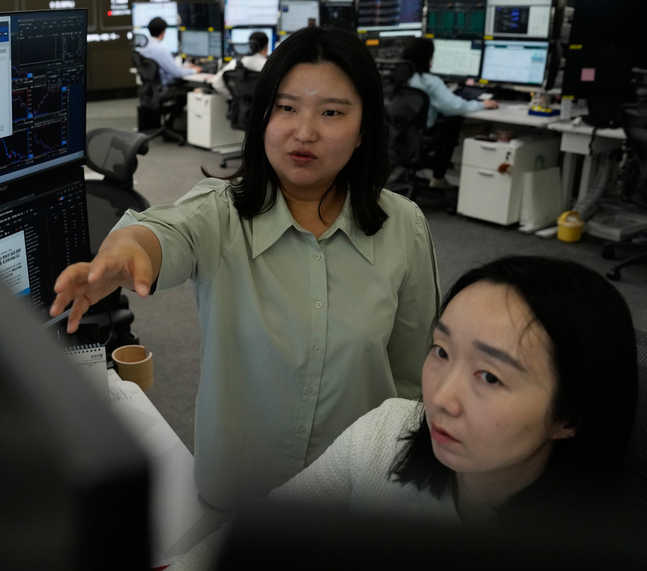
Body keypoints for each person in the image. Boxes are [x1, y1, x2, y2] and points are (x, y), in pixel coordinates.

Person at [52, 26, 440, 510]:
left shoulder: (404, 227)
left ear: (364, 130)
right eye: (286, 107)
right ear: (262, 118)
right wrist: (126, 247)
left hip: (354, 504)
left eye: (332, 112)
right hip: (238, 498)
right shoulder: (220, 212)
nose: (305, 131)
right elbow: (167, 230)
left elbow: (415, 376)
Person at [170, 256, 647, 569]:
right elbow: (256, 539)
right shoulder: (388, 432)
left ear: (571, 415)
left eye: (490, 377)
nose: (440, 399)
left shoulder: (605, 549)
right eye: (441, 351)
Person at [400, 37, 498, 188]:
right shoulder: (430, 82)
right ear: (428, 58)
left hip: (397, 135)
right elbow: (454, 107)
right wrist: (481, 104)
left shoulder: (397, 79)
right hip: (422, 136)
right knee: (453, 120)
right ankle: (438, 177)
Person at [138, 16, 201, 88]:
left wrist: (184, 68)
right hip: (164, 87)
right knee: (192, 88)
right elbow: (176, 73)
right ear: (163, 32)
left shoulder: (142, 48)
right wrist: (193, 70)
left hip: (151, 88)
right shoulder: (161, 50)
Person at [208, 31, 269, 98]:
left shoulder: (236, 62)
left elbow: (216, 84)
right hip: (262, 107)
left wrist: (235, 98)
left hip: (240, 107)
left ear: (249, 45)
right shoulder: (268, 65)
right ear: (266, 47)